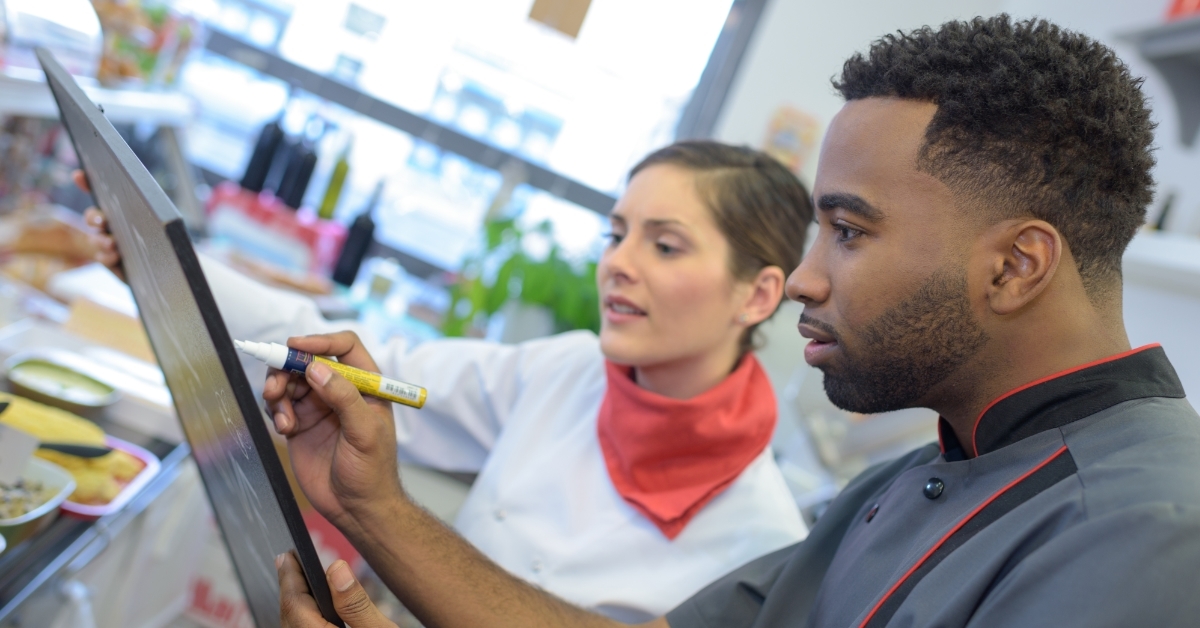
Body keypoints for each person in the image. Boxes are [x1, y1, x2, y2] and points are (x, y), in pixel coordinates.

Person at [266, 14, 1200, 628]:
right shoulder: (912, 479)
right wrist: (369, 506)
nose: (800, 279)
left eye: (847, 231)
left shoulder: (1152, 531)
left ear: (1015, 266)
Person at [84, 141, 814, 620]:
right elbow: (357, 368)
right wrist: (165, 264)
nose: (620, 262)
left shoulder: (766, 545)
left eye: (665, 244)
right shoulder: (567, 369)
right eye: (615, 233)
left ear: (756, 296)